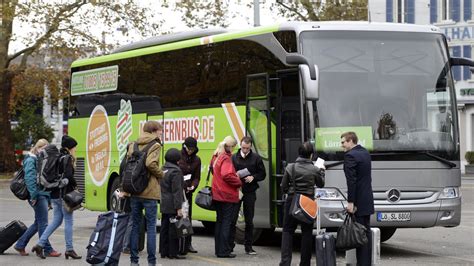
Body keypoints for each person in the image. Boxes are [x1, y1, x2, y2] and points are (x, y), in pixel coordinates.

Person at [31, 136, 81, 259]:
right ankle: (69, 249)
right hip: (64, 195)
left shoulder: (56, 156)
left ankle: (40, 244)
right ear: (70, 147)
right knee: (69, 221)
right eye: (74, 147)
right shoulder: (67, 158)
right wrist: (75, 184)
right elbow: (68, 176)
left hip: (54, 194)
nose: (75, 149)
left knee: (56, 220)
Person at [279, 142, 325, 266]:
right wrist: (322, 171)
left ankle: (285, 262)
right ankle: (305, 263)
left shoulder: (290, 167)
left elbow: (283, 186)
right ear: (311, 155)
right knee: (307, 232)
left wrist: (289, 192)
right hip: (308, 201)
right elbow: (321, 184)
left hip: (292, 200)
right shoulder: (315, 169)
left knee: (288, 231)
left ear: (299, 153)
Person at [14, 139, 61, 258]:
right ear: (38, 148)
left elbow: (45, 180)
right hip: (37, 195)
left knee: (38, 223)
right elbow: (30, 179)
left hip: (43, 194)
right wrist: (34, 196)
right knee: (43, 223)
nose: (44, 151)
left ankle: (20, 244)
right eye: (43, 149)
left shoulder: (41, 160)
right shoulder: (31, 160)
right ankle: (47, 249)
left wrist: (49, 200)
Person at [129, 121, 164, 266]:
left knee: (135, 226)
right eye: (160, 131)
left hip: (134, 190)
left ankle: (134, 261)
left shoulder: (133, 144)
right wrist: (161, 174)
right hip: (149, 192)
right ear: (154, 131)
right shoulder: (155, 145)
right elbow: (151, 164)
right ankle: (151, 262)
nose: (161, 133)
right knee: (150, 227)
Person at [341, 131, 374, 266]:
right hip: (367, 199)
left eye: (343, 142)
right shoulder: (365, 153)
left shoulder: (350, 156)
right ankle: (366, 263)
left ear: (350, 141)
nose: (341, 145)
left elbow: (351, 181)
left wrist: (350, 202)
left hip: (358, 203)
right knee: (366, 234)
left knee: (359, 236)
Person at [231, 136, 266, 255]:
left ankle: (248, 246)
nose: (245, 150)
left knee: (249, 220)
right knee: (233, 218)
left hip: (250, 191)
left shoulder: (256, 158)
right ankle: (230, 245)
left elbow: (263, 174)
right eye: (243, 147)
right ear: (240, 145)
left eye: (247, 148)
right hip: (236, 190)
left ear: (251, 146)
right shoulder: (234, 157)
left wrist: (253, 177)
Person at [211, 136, 242, 258]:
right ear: (232, 147)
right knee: (226, 223)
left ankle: (218, 249)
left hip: (217, 194)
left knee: (219, 222)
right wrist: (238, 181)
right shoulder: (226, 158)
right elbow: (227, 175)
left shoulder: (216, 156)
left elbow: (215, 172)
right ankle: (224, 251)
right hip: (227, 195)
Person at [159, 148, 186, 260]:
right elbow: (176, 191)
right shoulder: (176, 171)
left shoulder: (163, 169)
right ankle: (173, 253)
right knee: (173, 229)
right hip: (172, 204)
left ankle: (163, 251)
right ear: (176, 159)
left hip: (164, 202)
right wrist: (178, 208)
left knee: (164, 228)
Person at [177, 136, 201, 254]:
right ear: (184, 146)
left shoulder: (197, 160)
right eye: (188, 149)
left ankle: (188, 243)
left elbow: (197, 177)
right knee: (179, 217)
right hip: (179, 192)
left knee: (188, 218)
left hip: (188, 192)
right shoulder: (178, 157)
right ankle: (178, 243)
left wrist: (193, 186)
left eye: (192, 149)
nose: (190, 151)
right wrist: (183, 185)